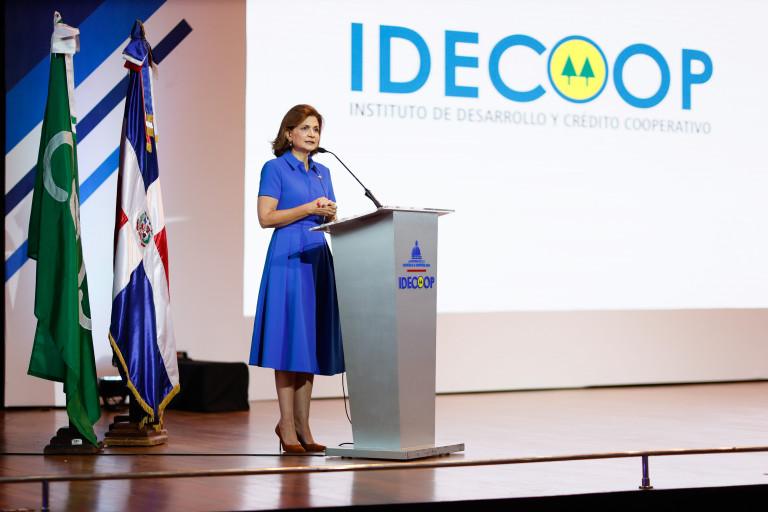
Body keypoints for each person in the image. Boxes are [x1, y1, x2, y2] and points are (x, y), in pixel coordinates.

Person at [249, 105, 345, 454]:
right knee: (290, 342)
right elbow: (265, 217)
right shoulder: (275, 168)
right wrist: (308, 208)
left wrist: (331, 214)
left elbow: (327, 215)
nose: (312, 134)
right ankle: (286, 426)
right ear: (288, 133)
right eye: (305, 128)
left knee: (309, 343)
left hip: (317, 256)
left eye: (316, 129)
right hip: (288, 257)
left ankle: (303, 426)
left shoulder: (323, 172)